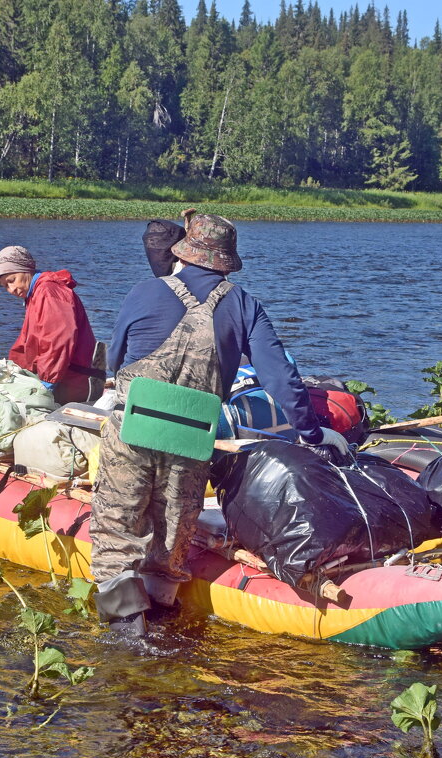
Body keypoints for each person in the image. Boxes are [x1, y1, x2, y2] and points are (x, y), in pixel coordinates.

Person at [90, 212, 351, 635]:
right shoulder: (244, 305)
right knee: (172, 540)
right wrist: (312, 433)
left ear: (183, 253)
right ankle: (162, 627)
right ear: (227, 261)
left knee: (117, 529)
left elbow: (116, 359)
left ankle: (127, 638)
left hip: (133, 429)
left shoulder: (144, 291)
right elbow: (280, 378)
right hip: (190, 439)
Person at [0, 245, 100, 405]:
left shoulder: (49, 292)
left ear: (25, 269)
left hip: (73, 382)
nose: (11, 289)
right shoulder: (35, 294)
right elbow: (26, 344)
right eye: (5, 286)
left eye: (12, 280)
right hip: (61, 376)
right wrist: (14, 369)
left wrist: (47, 383)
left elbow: (58, 341)